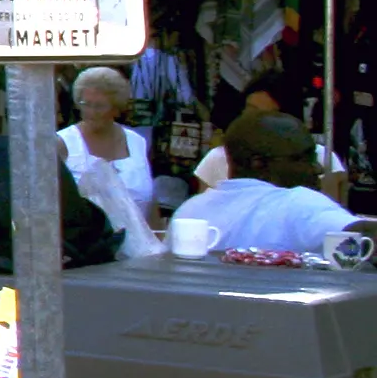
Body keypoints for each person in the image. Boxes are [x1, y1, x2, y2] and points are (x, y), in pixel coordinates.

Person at [170, 108, 359, 258]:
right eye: (304, 158)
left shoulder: (190, 210)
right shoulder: (298, 204)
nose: (317, 169)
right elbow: (365, 236)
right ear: (258, 163)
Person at [195, 73, 350, 202]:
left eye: (262, 115)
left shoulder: (322, 158)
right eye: (249, 110)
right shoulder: (218, 157)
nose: (251, 119)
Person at [60, 64, 159, 231]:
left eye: (99, 106)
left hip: (141, 250)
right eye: (86, 104)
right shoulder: (62, 142)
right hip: (87, 251)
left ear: (116, 108)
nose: (91, 111)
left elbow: (151, 201)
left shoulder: (137, 142)